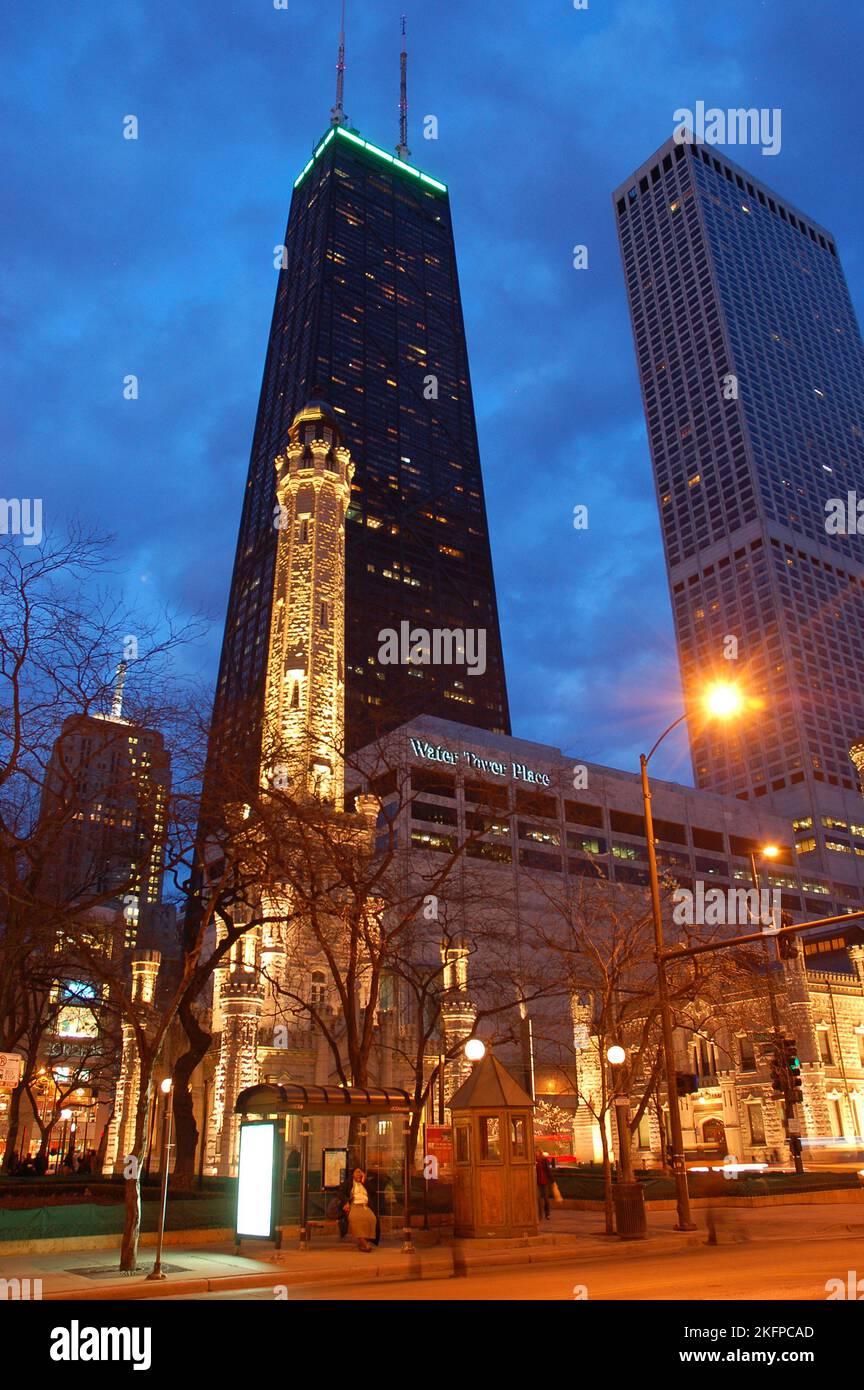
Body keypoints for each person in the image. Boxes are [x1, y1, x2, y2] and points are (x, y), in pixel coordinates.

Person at [341, 1167, 378, 1251]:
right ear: (353, 1174)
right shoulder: (349, 1182)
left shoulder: (365, 1183)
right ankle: (364, 1243)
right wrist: (346, 1202)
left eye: (361, 1172)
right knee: (356, 1219)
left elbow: (373, 1193)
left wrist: (365, 1182)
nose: (359, 1174)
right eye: (357, 1172)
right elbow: (341, 1193)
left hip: (365, 1205)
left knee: (372, 1218)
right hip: (354, 1204)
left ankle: (363, 1242)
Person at [536, 1150, 553, 1220]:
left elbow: (548, 1170)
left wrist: (552, 1180)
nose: (536, 1154)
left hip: (545, 1182)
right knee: (538, 1199)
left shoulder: (544, 1160)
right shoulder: (534, 1161)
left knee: (546, 1199)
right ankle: (539, 1215)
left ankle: (547, 1213)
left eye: (537, 1153)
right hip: (538, 1183)